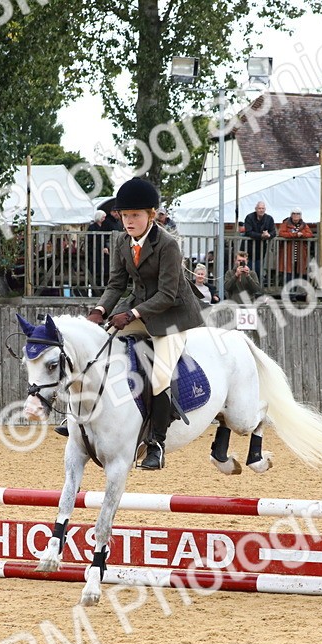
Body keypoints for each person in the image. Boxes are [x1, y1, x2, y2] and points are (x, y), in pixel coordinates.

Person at [86, 177, 206, 471]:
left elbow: (166, 295)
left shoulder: (167, 244)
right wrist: (100, 310)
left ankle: (156, 444)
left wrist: (131, 314)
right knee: (98, 345)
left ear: (151, 215)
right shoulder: (120, 240)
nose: (129, 221)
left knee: (160, 376)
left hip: (172, 317)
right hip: (139, 311)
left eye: (135, 215)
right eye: (125, 215)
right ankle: (83, 415)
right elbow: (116, 283)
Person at [242, 201, 276, 278]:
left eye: (263, 208)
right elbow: (249, 232)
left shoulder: (269, 218)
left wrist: (268, 235)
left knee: (258, 270)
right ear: (256, 209)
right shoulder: (249, 217)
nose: (261, 210)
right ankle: (246, 287)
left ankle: (257, 287)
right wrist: (261, 236)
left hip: (260, 249)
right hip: (247, 248)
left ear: (265, 209)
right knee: (246, 269)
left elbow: (274, 232)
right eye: (259, 208)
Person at [276, 208, 313, 277]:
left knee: (298, 271)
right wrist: (295, 235)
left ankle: (295, 287)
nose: (296, 215)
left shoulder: (304, 225)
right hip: (287, 252)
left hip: (300, 253)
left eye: (298, 214)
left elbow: (310, 234)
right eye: (294, 214)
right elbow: (281, 233)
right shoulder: (285, 224)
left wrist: (302, 234)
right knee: (287, 272)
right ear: (291, 215)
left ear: (300, 216)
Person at [86, 210, 111, 288]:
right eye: (103, 217)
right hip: (95, 249)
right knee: (95, 266)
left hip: (102, 249)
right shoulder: (92, 227)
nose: (104, 219)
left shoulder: (104, 226)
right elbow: (89, 240)